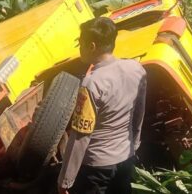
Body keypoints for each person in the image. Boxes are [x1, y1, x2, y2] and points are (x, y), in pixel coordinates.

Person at [57, 17, 147, 194]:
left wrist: (65, 180)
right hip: (125, 158)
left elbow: (81, 136)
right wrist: (134, 144)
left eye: (80, 44)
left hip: (97, 167)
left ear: (91, 46)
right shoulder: (136, 69)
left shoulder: (92, 84)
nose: (80, 49)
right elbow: (139, 112)